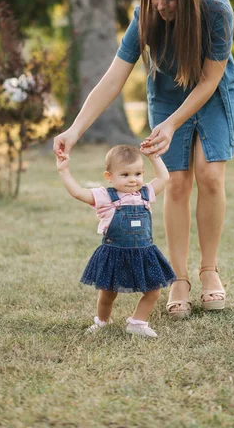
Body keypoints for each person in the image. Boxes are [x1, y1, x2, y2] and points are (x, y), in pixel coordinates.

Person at [53, 0, 234, 320]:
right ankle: (179, 279)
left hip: (213, 95)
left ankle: (209, 271)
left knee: (210, 176)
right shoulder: (144, 17)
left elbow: (209, 79)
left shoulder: (217, 11)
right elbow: (114, 78)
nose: (161, 5)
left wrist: (172, 124)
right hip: (167, 97)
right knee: (176, 183)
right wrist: (74, 130)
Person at [56, 144, 176, 338]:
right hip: (115, 253)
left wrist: (154, 157)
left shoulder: (146, 193)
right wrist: (64, 170)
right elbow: (78, 192)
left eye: (137, 174)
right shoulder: (105, 196)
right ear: (109, 176)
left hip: (144, 253)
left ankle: (138, 322)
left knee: (154, 290)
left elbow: (164, 177)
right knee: (108, 293)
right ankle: (102, 321)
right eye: (125, 174)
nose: (132, 180)